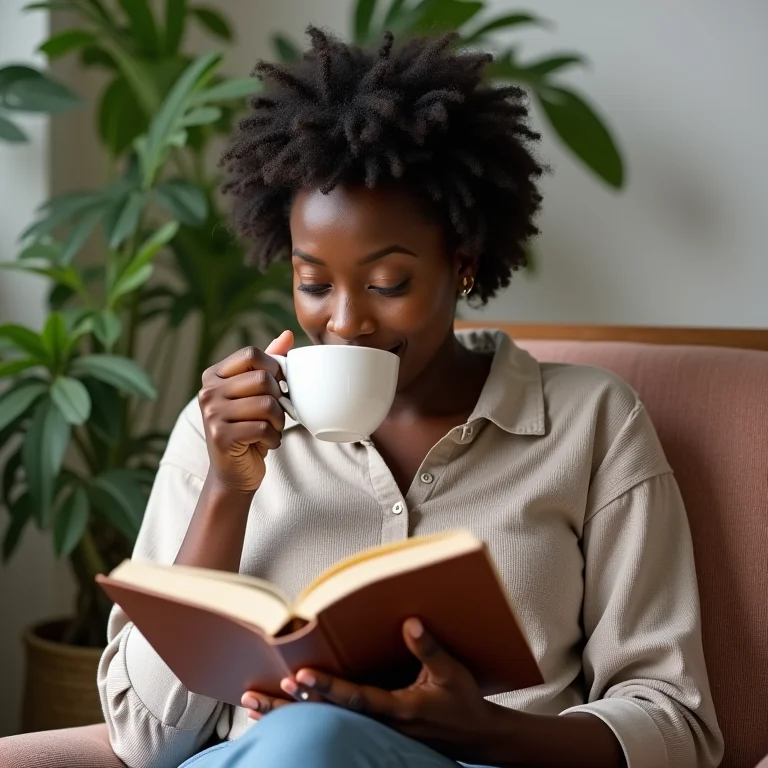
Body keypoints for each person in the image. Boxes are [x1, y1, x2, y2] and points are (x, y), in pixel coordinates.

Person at [97, 27, 723, 768]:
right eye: (313, 282)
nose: (345, 321)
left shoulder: (592, 423)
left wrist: (486, 730)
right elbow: (144, 743)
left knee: (314, 740)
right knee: (303, 741)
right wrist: (227, 492)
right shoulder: (228, 428)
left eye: (387, 283)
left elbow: (676, 726)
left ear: (462, 263)